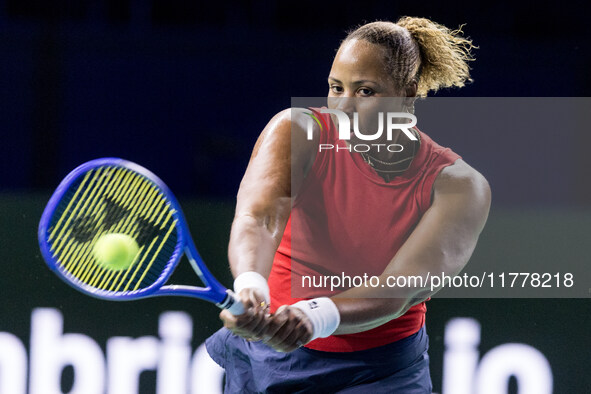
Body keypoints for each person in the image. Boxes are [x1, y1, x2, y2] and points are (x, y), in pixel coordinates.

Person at [206, 17, 491, 393]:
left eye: (365, 91)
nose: (344, 107)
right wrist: (250, 284)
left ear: (406, 95)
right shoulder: (296, 131)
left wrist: (315, 315)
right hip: (269, 357)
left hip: (381, 374)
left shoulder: (460, 187)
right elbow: (259, 218)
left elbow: (399, 288)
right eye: (335, 87)